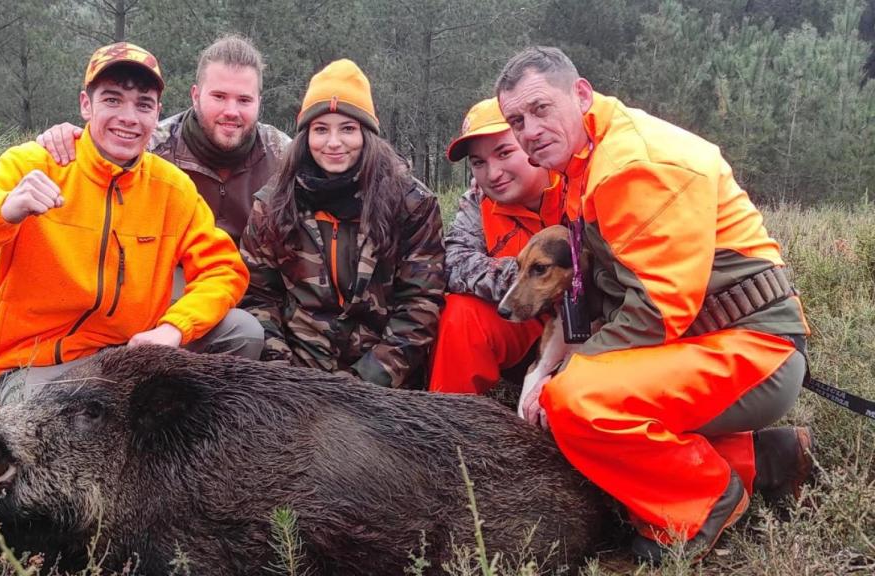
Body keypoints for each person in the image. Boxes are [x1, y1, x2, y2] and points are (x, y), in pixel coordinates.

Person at [495, 46, 813, 564]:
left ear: (580, 95)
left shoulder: (632, 162)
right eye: (516, 120)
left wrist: (565, 371)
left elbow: (658, 310)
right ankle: (762, 460)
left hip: (753, 350)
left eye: (541, 109)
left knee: (580, 399)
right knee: (586, 391)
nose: (529, 129)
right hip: (712, 340)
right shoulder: (585, 161)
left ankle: (702, 504)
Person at [0, 42, 256, 405]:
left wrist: (173, 329)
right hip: (40, 364)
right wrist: (3, 209)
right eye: (112, 100)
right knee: (62, 436)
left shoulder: (171, 187)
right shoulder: (35, 164)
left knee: (243, 332)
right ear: (85, 105)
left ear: (157, 113)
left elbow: (223, 270)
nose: (129, 117)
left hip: (131, 351)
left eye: (143, 104)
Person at [240, 59, 445, 388]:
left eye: (347, 129)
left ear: (367, 134)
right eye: (321, 129)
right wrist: (283, 373)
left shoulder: (412, 205)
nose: (333, 142)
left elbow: (419, 306)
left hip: (381, 380)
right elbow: (257, 297)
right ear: (306, 136)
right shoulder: (273, 203)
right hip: (293, 375)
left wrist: (362, 385)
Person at [37, 34, 290, 245]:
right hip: (173, 279)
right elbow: (98, 154)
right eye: (219, 97)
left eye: (244, 100)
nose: (231, 111)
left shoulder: (284, 155)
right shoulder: (150, 145)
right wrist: (67, 137)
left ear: (259, 102)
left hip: (258, 286)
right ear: (195, 95)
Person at [428, 97, 563, 395]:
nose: (493, 173)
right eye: (479, 162)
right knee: (460, 313)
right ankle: (451, 423)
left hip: (592, 325)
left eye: (504, 153)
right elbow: (453, 260)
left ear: (529, 143)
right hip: (519, 320)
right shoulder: (479, 199)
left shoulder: (574, 184)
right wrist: (530, 278)